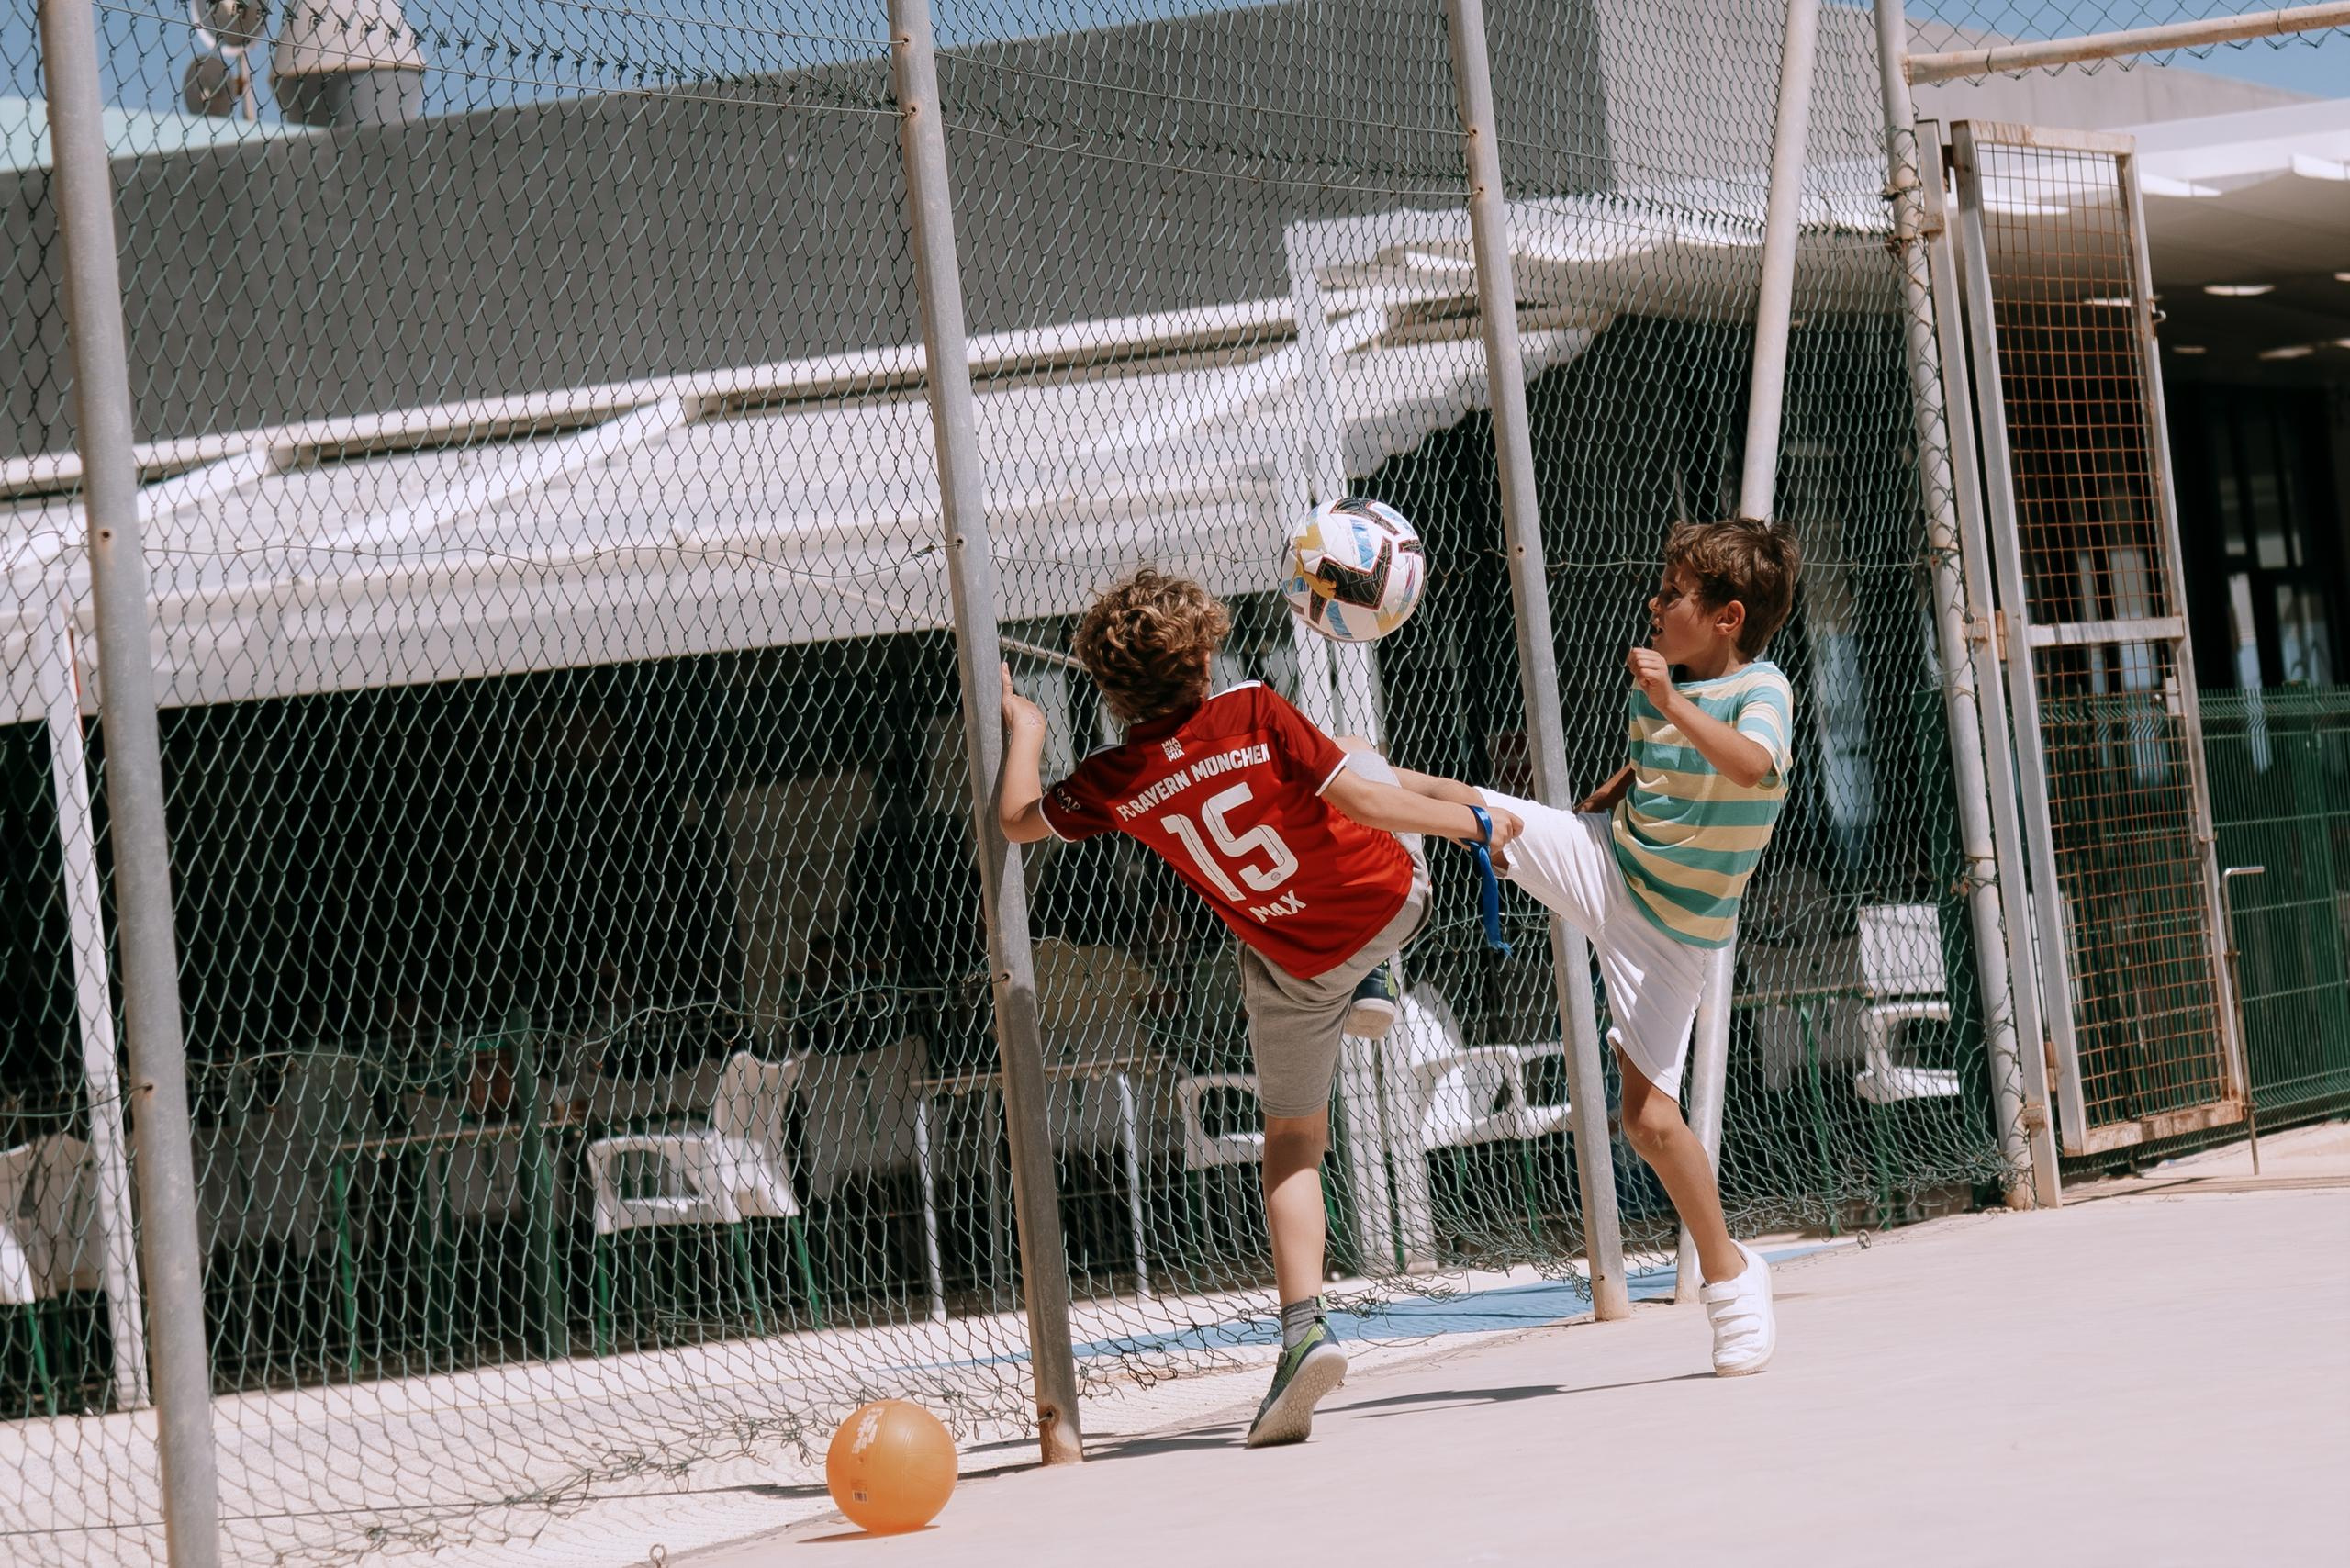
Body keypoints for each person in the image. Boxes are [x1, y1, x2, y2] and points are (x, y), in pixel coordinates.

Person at [997, 569, 1521, 1447]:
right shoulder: (1249, 709)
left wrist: (1031, 727)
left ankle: (1302, 1328)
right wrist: (1465, 820)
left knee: (1292, 1141)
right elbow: (1358, 797)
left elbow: (1014, 820)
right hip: (1390, 901)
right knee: (1351, 751)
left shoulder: (1115, 777)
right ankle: (1377, 974)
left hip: (1292, 959)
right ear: (1204, 658)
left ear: (1111, 691)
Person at [1391, 517, 1800, 1375]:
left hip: (1674, 932)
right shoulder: (1664, 685)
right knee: (1489, 818)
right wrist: (1620, 780)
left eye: (1674, 593)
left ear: (1728, 617)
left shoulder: (1759, 691)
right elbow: (1663, 770)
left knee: (1648, 1121)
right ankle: (1357, 772)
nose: (1655, 603)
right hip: (1609, 859)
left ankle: (1732, 1277)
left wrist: (1670, 705)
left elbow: (1750, 768)